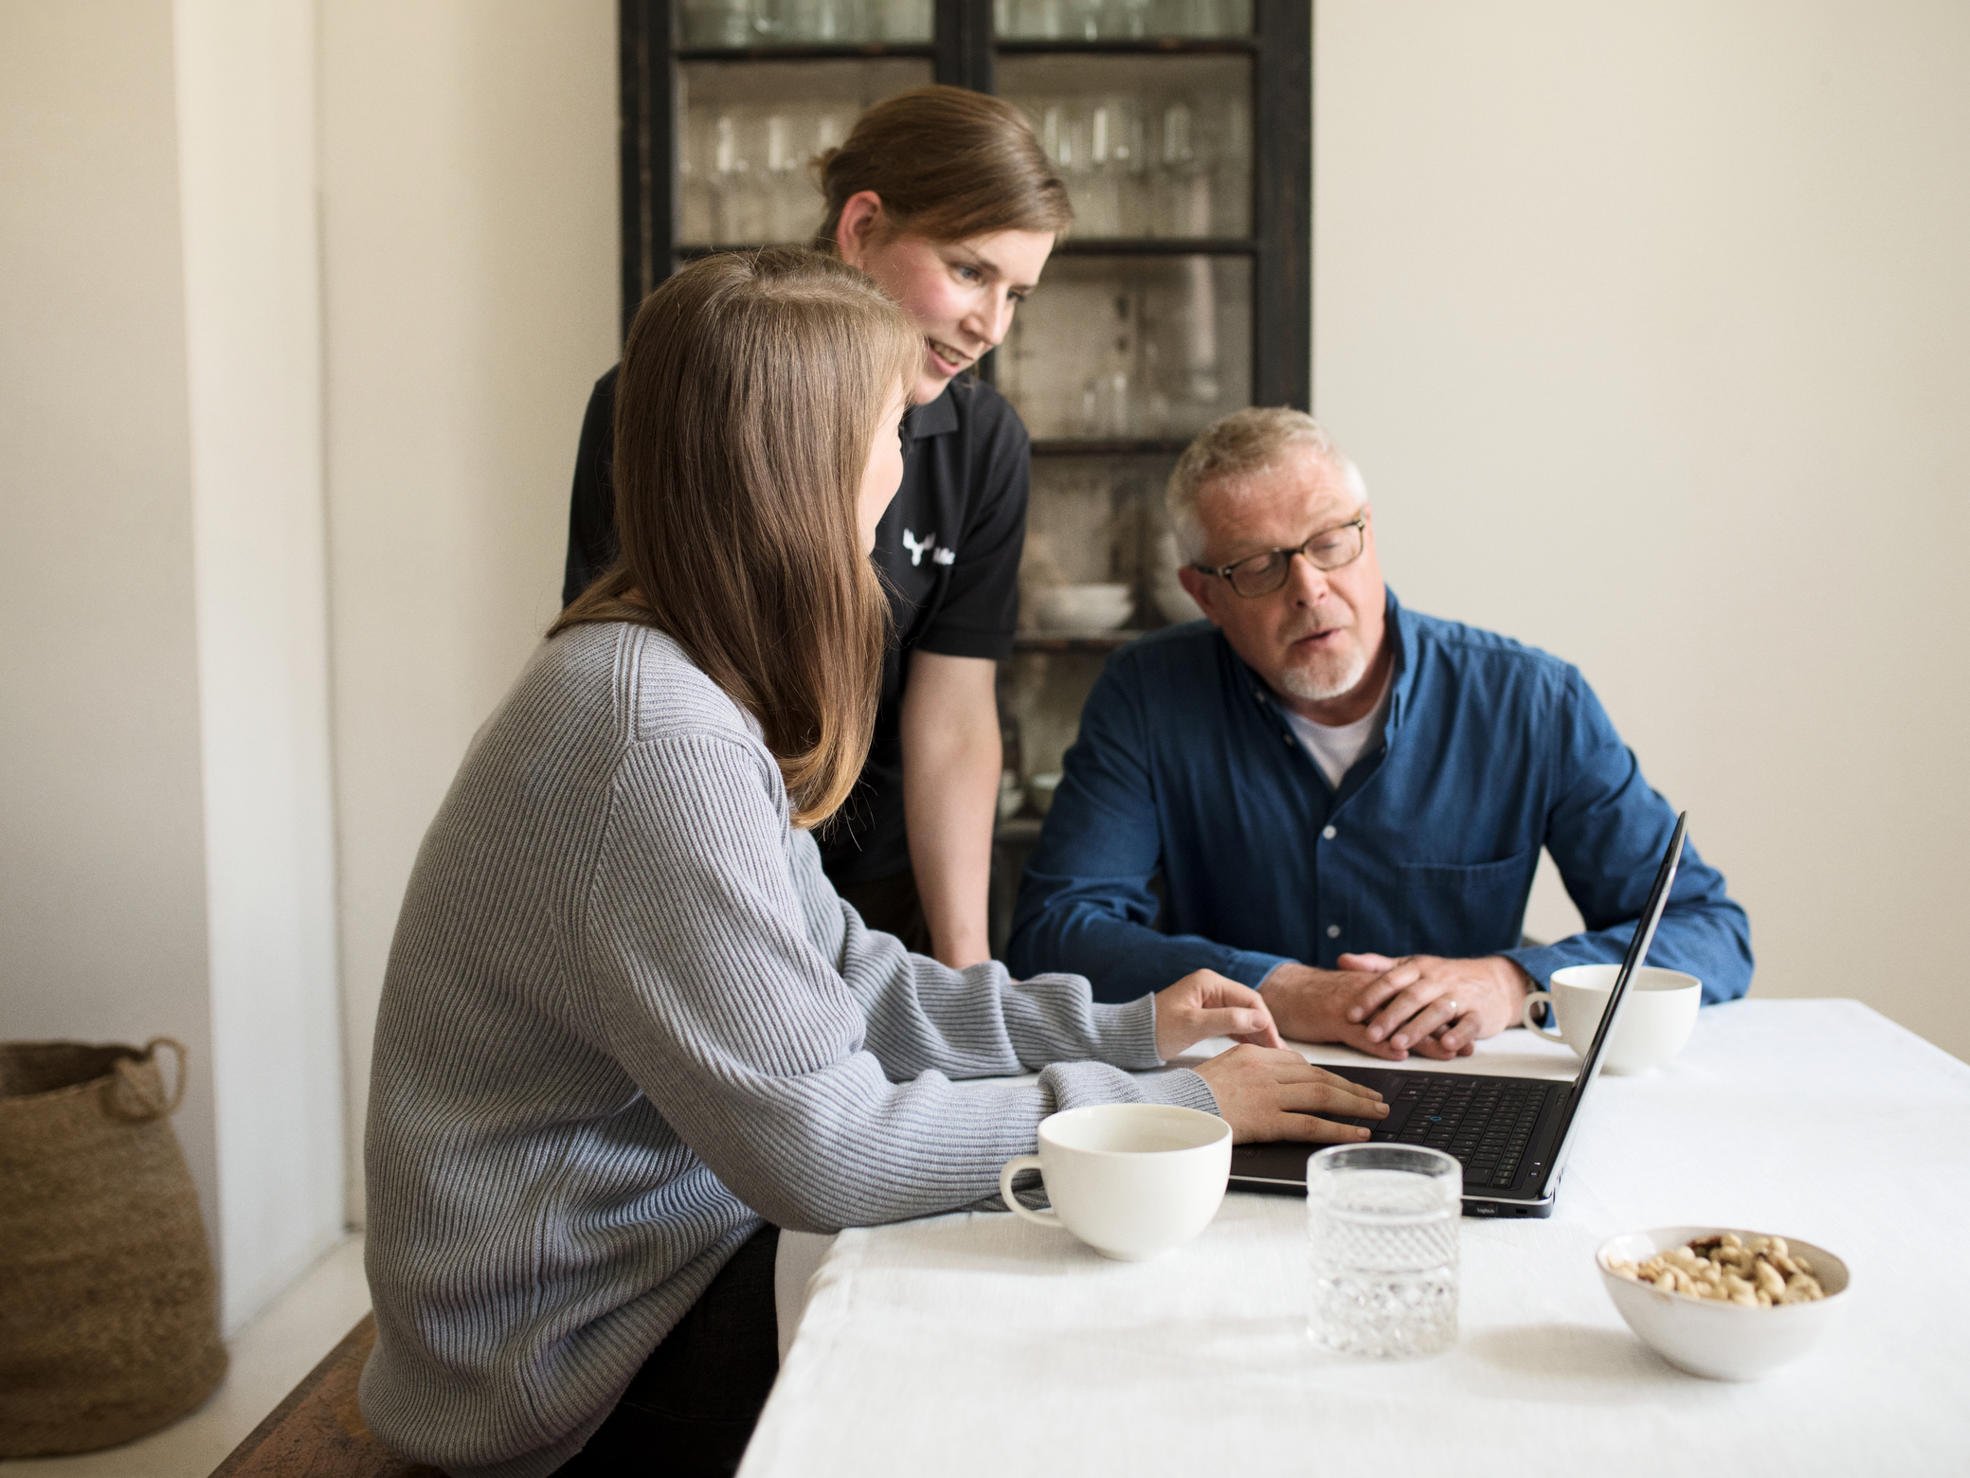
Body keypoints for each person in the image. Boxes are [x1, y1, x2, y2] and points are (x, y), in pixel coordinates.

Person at [361, 253, 1387, 1478]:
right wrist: (1174, 1111)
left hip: (641, 1262)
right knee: (1041, 1351)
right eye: (891, 428)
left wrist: (1122, 1032)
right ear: (799, 463)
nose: (908, 464)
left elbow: (848, 973)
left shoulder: (667, 676)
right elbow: (826, 1150)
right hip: (563, 1355)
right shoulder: (654, 733)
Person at [1005, 407, 1753, 1061]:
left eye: (1331, 541)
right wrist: (1287, 989)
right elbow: (1057, 934)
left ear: (1369, 533)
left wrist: (1514, 980)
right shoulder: (1147, 696)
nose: (1309, 587)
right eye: (1260, 567)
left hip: (1472, 1080)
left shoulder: (1532, 700)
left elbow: (1707, 930)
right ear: (1203, 594)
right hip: (1238, 1090)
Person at [563, 85, 1059, 969]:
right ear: (862, 225)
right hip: (704, 865)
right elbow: (640, 682)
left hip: (884, 897)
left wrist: (970, 966)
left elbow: (953, 719)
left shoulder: (985, 445)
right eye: (970, 271)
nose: (991, 326)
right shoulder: (667, 398)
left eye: (1018, 294)